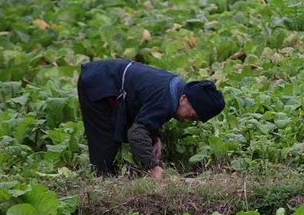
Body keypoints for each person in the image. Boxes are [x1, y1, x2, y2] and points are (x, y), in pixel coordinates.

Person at [77, 59, 225, 180]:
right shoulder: (166, 100)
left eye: (194, 120)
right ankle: (102, 181)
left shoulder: (176, 89)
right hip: (98, 81)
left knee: (116, 137)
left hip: (105, 77)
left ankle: (111, 176)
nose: (187, 120)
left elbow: (148, 110)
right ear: (184, 98)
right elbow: (136, 134)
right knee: (105, 139)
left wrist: (156, 136)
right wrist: (153, 167)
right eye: (191, 115)